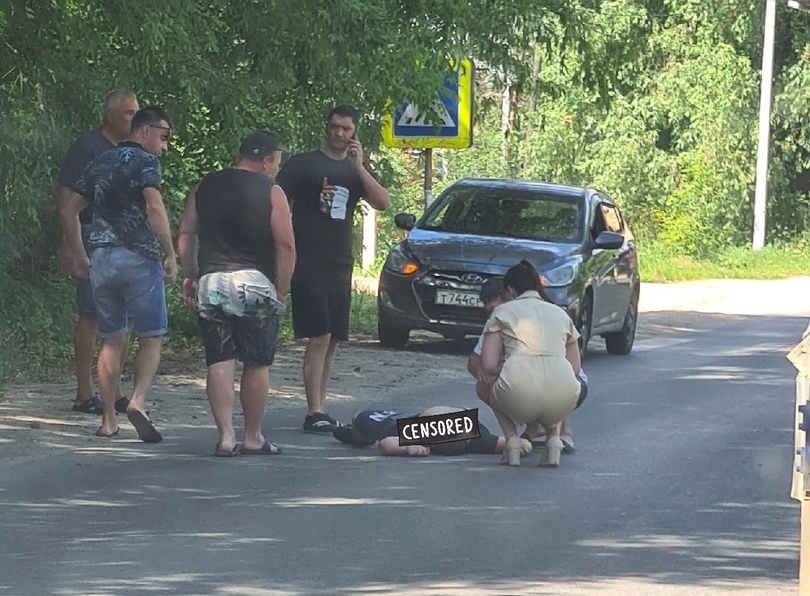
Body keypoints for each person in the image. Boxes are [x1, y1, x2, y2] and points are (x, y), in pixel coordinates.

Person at [60, 106, 176, 441]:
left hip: (103, 260)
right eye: (163, 136)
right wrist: (169, 252)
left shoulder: (100, 161)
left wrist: (80, 253)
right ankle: (137, 400)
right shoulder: (146, 162)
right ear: (145, 131)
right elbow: (154, 205)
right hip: (139, 256)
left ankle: (108, 419)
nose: (165, 146)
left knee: (111, 338)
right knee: (151, 335)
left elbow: (70, 209)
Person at [177, 131, 296, 457]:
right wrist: (281, 289)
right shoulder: (272, 191)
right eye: (276, 162)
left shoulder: (205, 187)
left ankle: (226, 436)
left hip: (212, 282)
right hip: (255, 284)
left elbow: (186, 231)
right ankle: (253, 436)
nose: (275, 168)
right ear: (267, 159)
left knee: (220, 359)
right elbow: (285, 244)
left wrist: (190, 274)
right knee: (256, 362)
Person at [276, 105, 391, 434]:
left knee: (334, 338)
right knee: (319, 334)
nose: (339, 134)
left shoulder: (356, 170)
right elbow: (276, 197)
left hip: (340, 261)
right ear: (326, 128)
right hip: (307, 257)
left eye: (346, 129)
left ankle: (321, 406)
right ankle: (314, 411)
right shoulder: (304, 165)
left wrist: (359, 166)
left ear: (354, 133)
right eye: (335, 127)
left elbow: (382, 202)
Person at [55, 90, 139, 415]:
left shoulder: (134, 150)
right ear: (111, 116)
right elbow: (65, 195)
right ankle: (83, 393)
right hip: (92, 235)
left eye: (137, 112)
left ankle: (113, 391)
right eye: (129, 113)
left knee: (125, 317)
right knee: (91, 314)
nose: (135, 118)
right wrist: (69, 243)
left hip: (125, 238)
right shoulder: (88, 147)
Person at [477, 260, 584, 468]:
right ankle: (553, 440)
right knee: (554, 383)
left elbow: (488, 365)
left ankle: (512, 441)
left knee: (486, 385)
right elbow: (575, 368)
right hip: (563, 398)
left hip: (518, 395)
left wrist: (504, 369)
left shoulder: (502, 313)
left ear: (509, 290)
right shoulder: (561, 314)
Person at [333, 406, 533, 458]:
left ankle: (357, 435)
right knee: (362, 417)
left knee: (365, 419)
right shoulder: (423, 433)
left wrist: (524, 442)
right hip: (419, 422)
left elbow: (386, 444)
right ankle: (356, 435)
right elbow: (385, 444)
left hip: (461, 425)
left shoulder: (476, 440)